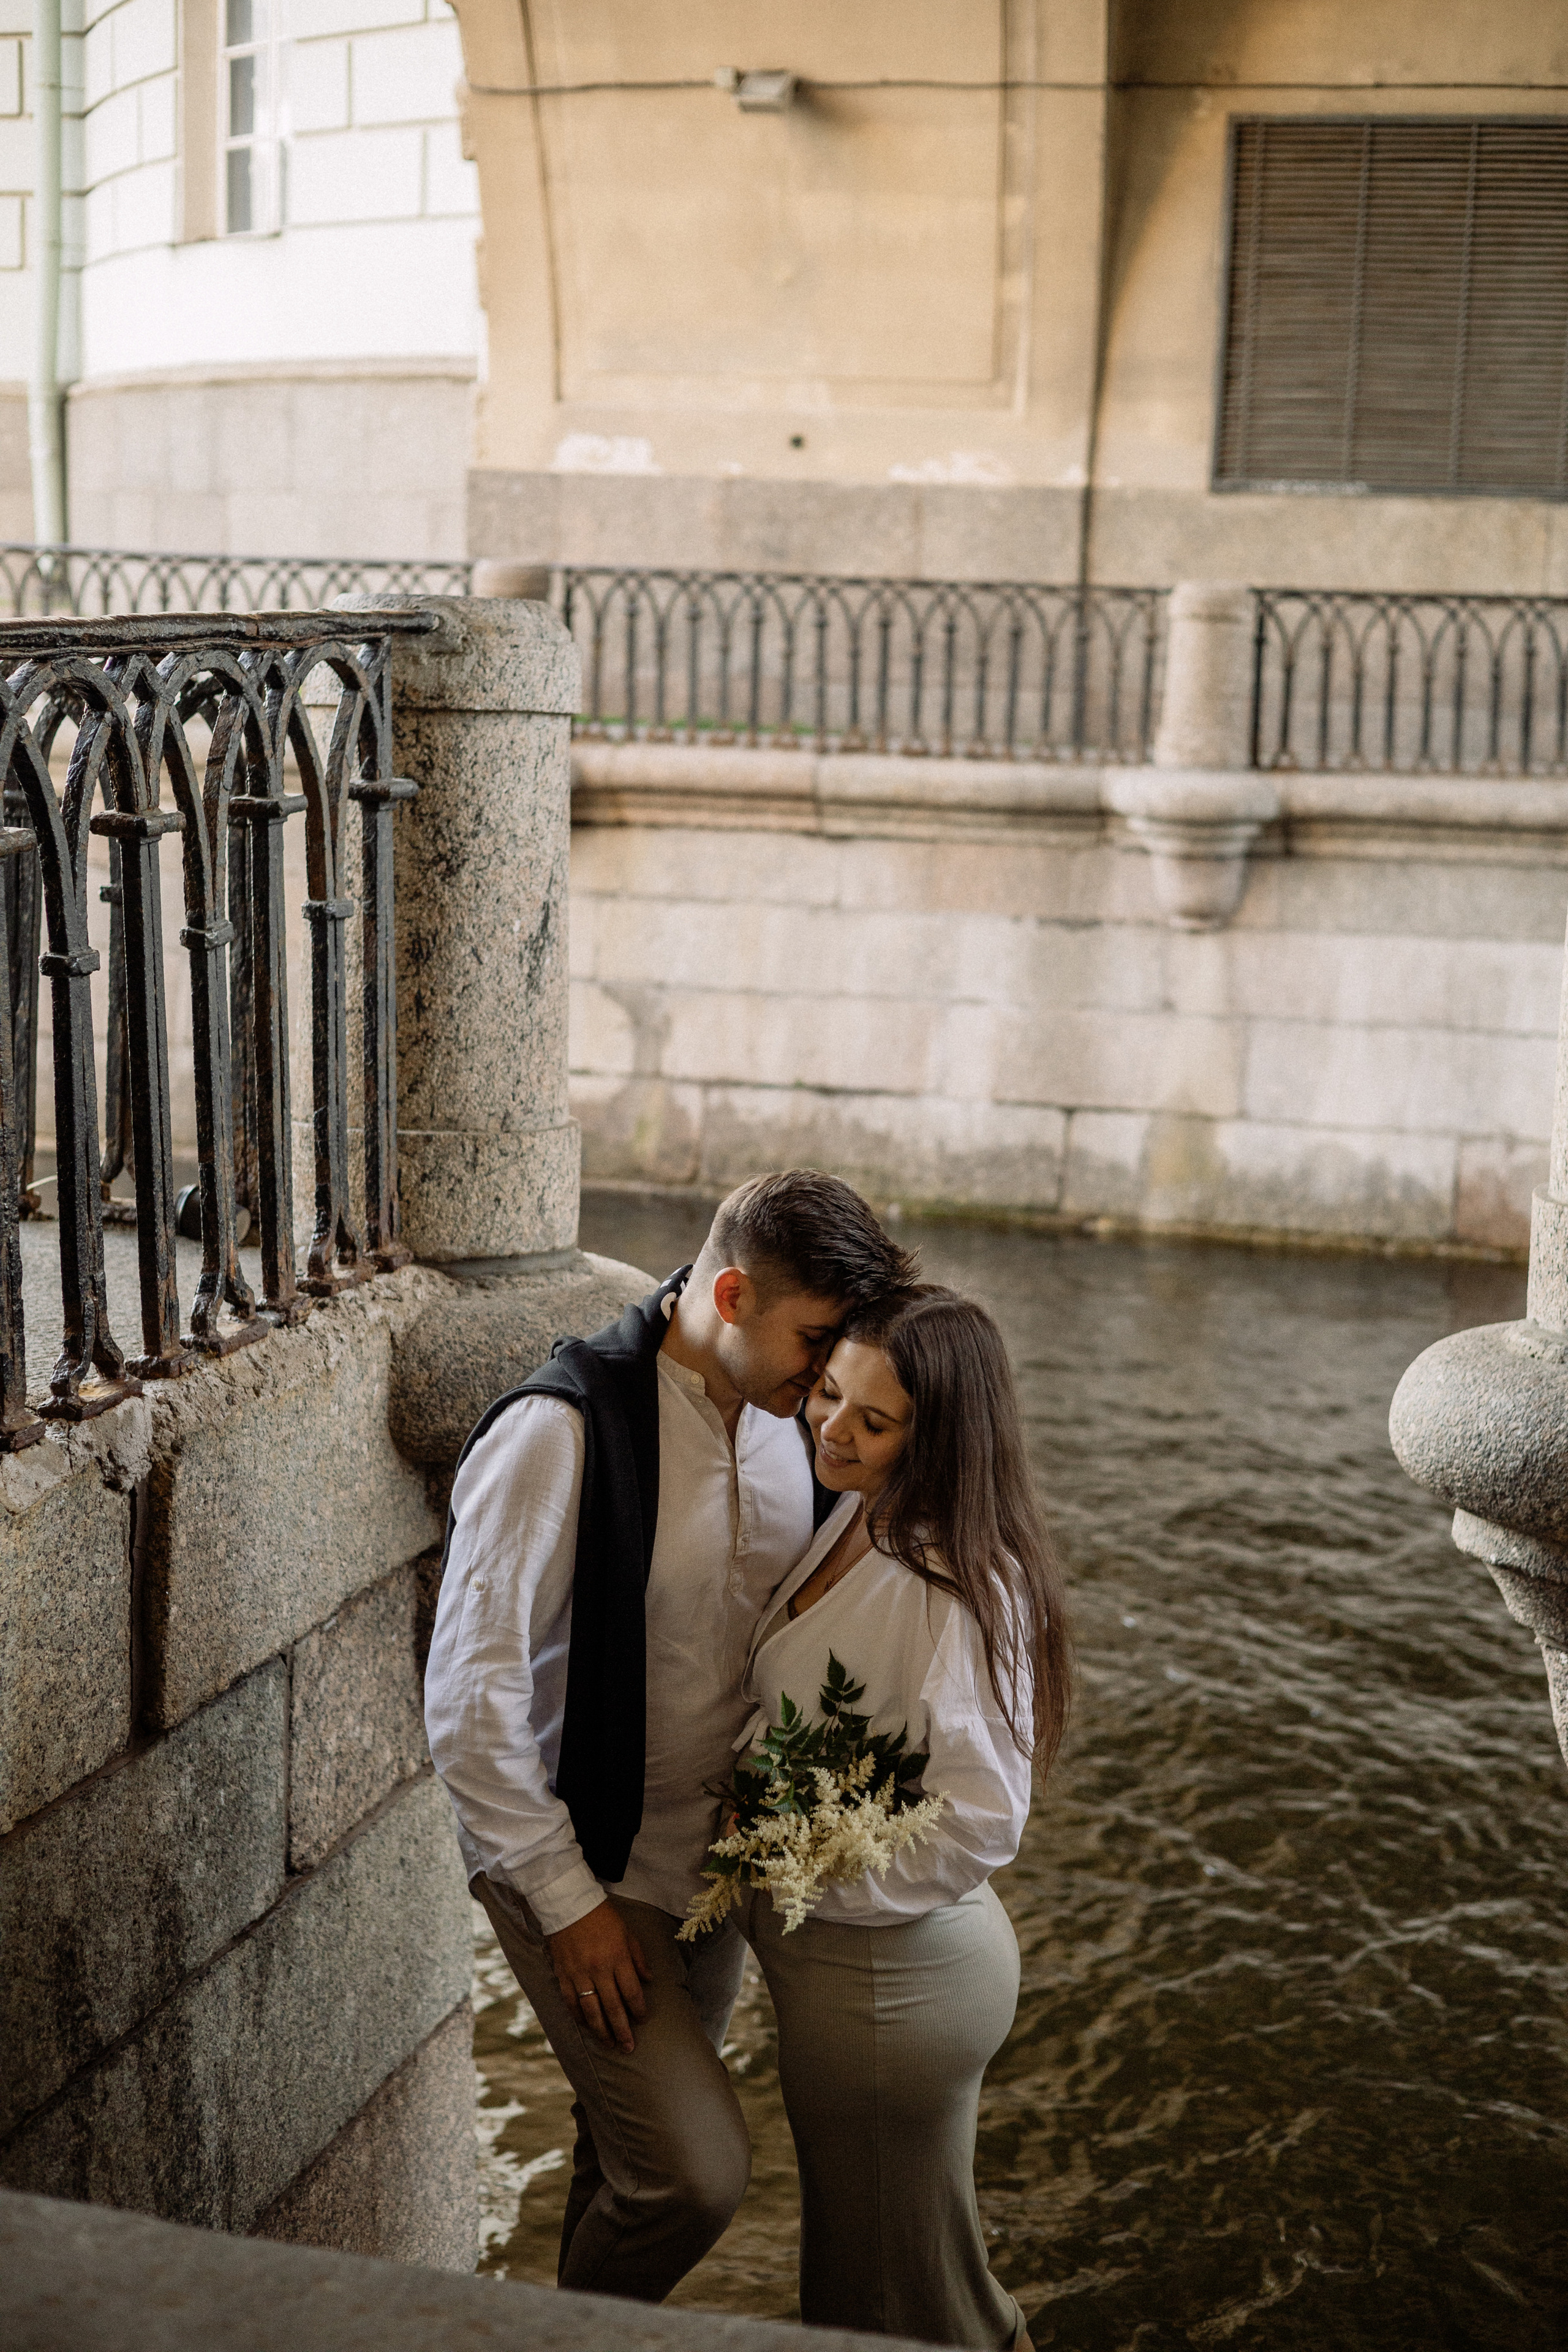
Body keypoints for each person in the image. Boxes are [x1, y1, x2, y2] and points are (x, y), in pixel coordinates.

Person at [423, 1170, 917, 2302]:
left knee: (627, 2164)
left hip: (716, 1872)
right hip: (583, 1861)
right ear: (731, 1296)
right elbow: (467, 1701)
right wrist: (571, 1908)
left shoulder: (805, 1428)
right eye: (816, 1340)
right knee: (695, 2176)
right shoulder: (558, 1430)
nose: (830, 1377)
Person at [733, 1286, 1071, 2349]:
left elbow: (981, 1820)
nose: (832, 1428)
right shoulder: (858, 1504)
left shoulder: (957, 1584)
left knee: (892, 2306)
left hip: (894, 1983)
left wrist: (804, 1867)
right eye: (829, 1393)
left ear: (939, 1439)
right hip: (865, 1976)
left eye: (873, 1420)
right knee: (895, 2284)